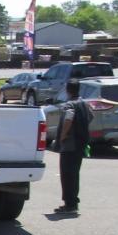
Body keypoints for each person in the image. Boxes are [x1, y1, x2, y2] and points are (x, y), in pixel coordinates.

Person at [53, 81, 90, 216]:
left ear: (68, 90)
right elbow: (90, 117)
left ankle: (69, 204)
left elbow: (68, 119)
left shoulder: (69, 105)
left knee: (67, 175)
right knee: (75, 174)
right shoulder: (84, 104)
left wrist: (63, 136)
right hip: (80, 144)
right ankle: (73, 202)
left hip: (69, 145)